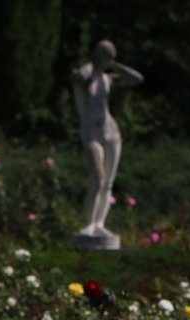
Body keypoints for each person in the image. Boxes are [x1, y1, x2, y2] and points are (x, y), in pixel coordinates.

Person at [71, 41, 142, 239]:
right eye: (103, 55)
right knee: (97, 178)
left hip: (111, 132)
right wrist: (92, 64)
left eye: (109, 56)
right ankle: (89, 223)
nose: (106, 60)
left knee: (108, 182)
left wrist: (116, 65)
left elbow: (137, 79)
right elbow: (80, 75)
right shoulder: (84, 77)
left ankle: (100, 224)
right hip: (91, 131)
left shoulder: (108, 79)